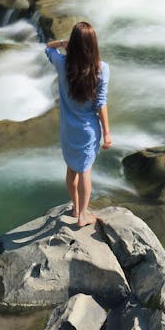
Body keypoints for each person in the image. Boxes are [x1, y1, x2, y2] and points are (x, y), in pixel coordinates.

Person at [45, 21, 111, 227]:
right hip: (88, 130)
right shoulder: (102, 69)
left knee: (71, 169)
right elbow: (101, 104)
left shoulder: (62, 64)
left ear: (73, 44)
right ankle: (82, 215)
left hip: (68, 129)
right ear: (93, 45)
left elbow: (48, 47)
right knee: (85, 171)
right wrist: (107, 132)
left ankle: (75, 207)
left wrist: (64, 43)